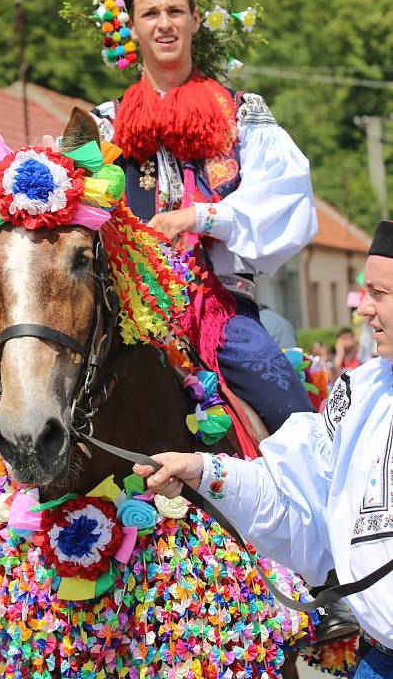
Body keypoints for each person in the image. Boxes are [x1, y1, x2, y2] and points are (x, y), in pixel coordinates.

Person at [133, 218, 393, 678]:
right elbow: (300, 498)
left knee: (268, 374)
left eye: (380, 294)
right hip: (380, 659)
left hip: (222, 304)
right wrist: (204, 470)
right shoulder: (361, 390)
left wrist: (203, 216)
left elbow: (279, 206)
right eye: (365, 292)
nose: (362, 310)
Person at [89, 0, 318, 436]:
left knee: (298, 423)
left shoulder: (241, 113)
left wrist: (198, 216)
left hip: (222, 308)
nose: (164, 23)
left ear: (195, 18)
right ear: (131, 25)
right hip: (130, 310)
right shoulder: (106, 124)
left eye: (175, 10)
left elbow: (284, 198)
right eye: (150, 14)